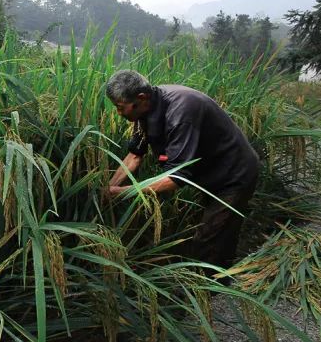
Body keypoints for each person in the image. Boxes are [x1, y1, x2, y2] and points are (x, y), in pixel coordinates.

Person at [104, 69, 260, 271]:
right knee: (219, 231)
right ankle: (222, 274)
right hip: (210, 173)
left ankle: (208, 293)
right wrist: (109, 188)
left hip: (234, 174)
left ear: (141, 98)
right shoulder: (145, 110)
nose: (119, 113)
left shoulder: (181, 111)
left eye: (120, 107)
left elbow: (176, 178)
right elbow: (134, 156)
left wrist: (123, 193)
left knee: (209, 238)